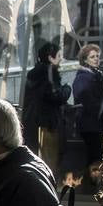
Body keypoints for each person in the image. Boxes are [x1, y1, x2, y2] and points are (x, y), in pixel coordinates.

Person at [21, 41, 69, 171]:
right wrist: (66, 90)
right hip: (48, 124)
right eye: (58, 56)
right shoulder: (49, 72)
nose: (61, 59)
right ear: (50, 58)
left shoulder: (34, 74)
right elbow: (54, 96)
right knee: (49, 162)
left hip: (33, 123)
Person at [72, 43, 103, 171]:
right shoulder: (83, 78)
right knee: (95, 157)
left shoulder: (95, 75)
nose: (96, 59)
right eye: (92, 57)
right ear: (85, 60)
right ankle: (94, 185)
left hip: (95, 123)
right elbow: (89, 102)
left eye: (97, 56)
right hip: (90, 124)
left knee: (97, 156)